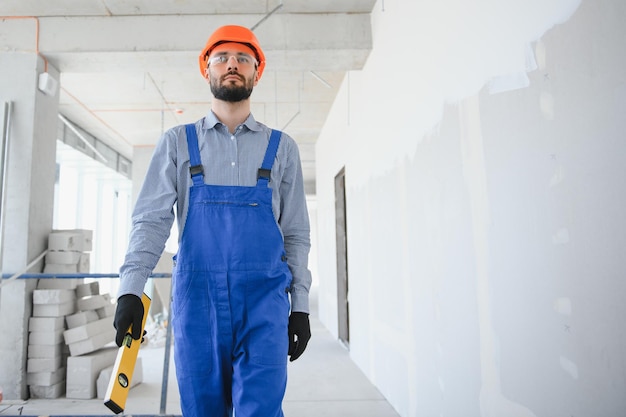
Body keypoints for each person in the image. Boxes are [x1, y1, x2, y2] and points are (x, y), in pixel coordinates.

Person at [113, 25, 312, 417]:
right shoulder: (177, 142)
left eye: (243, 58)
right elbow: (150, 221)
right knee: (202, 410)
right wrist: (131, 289)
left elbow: (296, 234)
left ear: (257, 72)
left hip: (264, 306)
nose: (232, 65)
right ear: (207, 70)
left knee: (262, 411)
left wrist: (300, 304)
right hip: (198, 306)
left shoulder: (282, 148)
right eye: (221, 58)